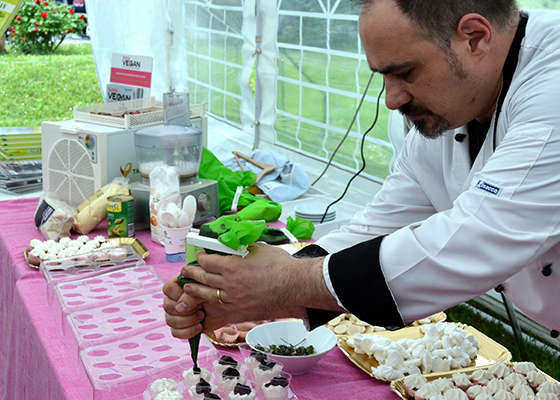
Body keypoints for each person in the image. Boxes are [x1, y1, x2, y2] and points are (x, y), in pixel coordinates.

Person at [163, 0, 560, 340]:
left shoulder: (551, 89)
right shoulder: (454, 103)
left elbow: (477, 238)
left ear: (475, 37)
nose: (391, 99)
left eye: (404, 72)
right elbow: (381, 224)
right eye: (383, 77)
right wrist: (235, 294)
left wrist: (283, 283)